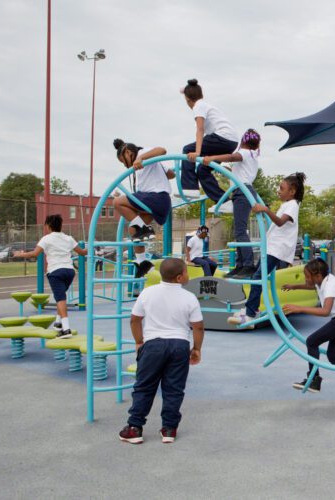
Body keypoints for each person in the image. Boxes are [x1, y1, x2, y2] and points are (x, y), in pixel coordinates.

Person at [118, 258, 205, 444]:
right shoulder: (189, 298)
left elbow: (135, 320)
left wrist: (139, 342)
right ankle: (169, 429)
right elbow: (198, 327)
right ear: (180, 277)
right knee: (174, 388)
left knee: (144, 386)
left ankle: (134, 427)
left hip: (153, 344)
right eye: (187, 272)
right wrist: (196, 348)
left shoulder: (148, 292)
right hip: (179, 344)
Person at [227, 172, 306, 328]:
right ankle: (251, 309)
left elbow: (280, 222)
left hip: (277, 249)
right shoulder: (287, 204)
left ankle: (250, 313)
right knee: (257, 277)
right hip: (273, 247)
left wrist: (265, 209)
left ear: (292, 191)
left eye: (281, 188)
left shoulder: (292, 205)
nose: (278, 190)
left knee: (258, 278)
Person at [282, 258, 335, 398]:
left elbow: (325, 311)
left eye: (307, 276)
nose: (306, 279)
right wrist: (294, 286)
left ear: (317, 276)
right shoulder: (322, 281)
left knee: (312, 341)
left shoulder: (331, 285)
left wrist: (299, 308)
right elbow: (311, 286)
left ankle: (314, 380)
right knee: (333, 355)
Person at [13, 214, 88, 339]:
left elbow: (35, 254)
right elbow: (82, 253)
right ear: (61, 225)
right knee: (62, 297)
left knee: (60, 299)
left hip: (56, 272)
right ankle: (58, 323)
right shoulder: (68, 238)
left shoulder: (46, 239)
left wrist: (20, 255)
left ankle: (66, 329)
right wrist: (90, 248)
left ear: (48, 226)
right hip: (69, 271)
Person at [202, 128, 261, 278]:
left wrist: (212, 157)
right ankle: (241, 265)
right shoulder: (253, 155)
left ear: (243, 141)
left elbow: (232, 157)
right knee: (239, 230)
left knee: (240, 230)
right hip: (241, 191)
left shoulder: (245, 153)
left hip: (242, 191)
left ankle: (247, 265)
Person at [112, 138, 174, 278]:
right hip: (159, 202)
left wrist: (140, 158)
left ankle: (145, 229)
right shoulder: (151, 163)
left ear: (128, 152)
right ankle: (143, 263)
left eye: (123, 161)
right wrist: (159, 172)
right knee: (134, 229)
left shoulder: (143, 153)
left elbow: (162, 150)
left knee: (117, 202)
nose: (125, 166)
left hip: (155, 197)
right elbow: (171, 174)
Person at [180, 78, 240, 205]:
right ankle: (224, 202)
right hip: (231, 142)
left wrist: (197, 152)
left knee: (187, 150)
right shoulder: (204, 104)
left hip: (222, 138)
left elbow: (200, 129)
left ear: (188, 100)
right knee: (203, 169)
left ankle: (190, 188)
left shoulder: (198, 106)